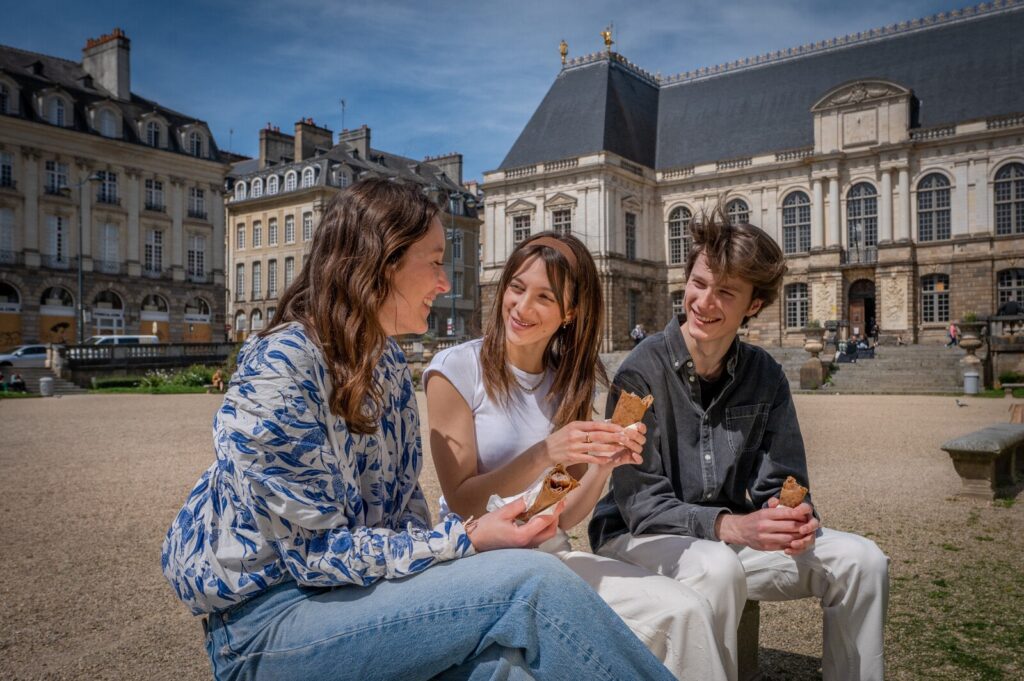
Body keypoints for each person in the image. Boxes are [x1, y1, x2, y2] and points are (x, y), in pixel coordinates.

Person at [161, 179, 673, 681]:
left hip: (356, 599)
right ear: (382, 264)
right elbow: (314, 557)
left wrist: (580, 477)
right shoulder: (281, 367)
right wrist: (469, 539)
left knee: (511, 670)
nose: (446, 283)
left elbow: (404, 525)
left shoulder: (386, 366)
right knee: (533, 585)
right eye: (434, 261)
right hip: (269, 622)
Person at [589, 207, 890, 681]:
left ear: (753, 305)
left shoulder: (765, 375)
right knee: (716, 568)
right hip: (637, 539)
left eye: (725, 292)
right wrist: (736, 527)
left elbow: (784, 481)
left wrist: (793, 516)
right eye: (699, 283)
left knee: (864, 561)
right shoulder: (639, 373)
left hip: (727, 540)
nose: (704, 302)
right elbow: (642, 505)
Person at [425, 232, 727, 680]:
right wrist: (545, 451)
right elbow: (464, 500)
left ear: (569, 313)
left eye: (544, 297)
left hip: (550, 554)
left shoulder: (567, 383)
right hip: (480, 562)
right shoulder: (454, 370)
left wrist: (604, 465)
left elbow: (563, 516)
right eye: (516, 287)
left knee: (686, 610)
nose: (522, 307)